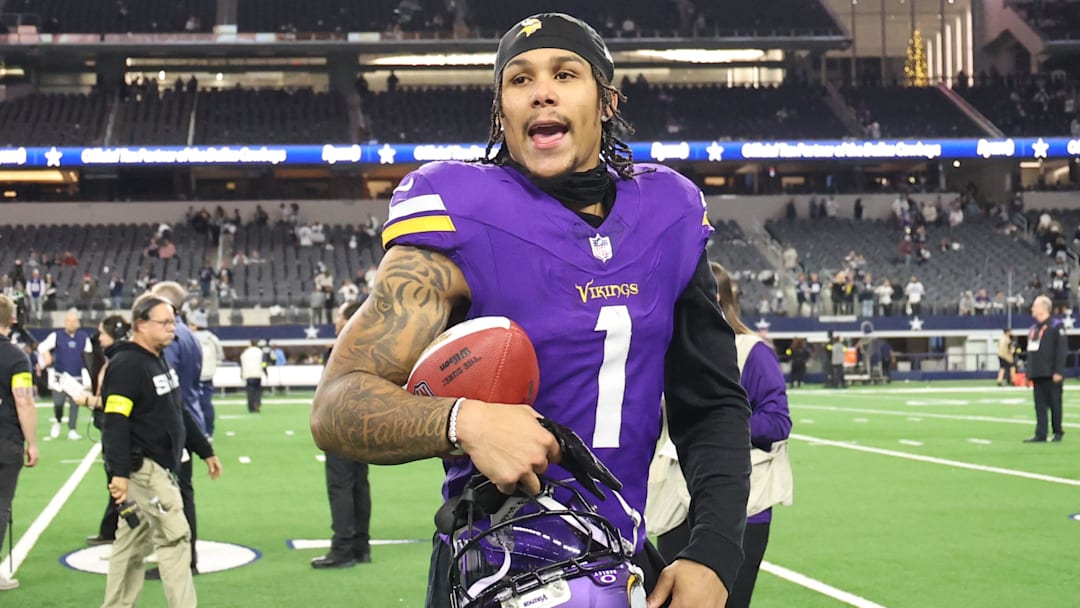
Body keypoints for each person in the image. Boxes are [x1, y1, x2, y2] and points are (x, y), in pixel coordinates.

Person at [311, 13, 751, 608]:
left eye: (565, 73)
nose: (541, 90)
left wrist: (713, 552)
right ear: (502, 113)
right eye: (519, 80)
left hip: (622, 558)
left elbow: (714, 404)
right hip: (495, 564)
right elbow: (337, 405)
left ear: (606, 102)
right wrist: (463, 421)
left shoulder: (668, 211)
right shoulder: (460, 210)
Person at [652, 263, 792, 608]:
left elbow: (777, 422)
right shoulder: (666, 350)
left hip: (743, 501)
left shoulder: (751, 352)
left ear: (715, 298)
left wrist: (719, 428)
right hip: (678, 497)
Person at [101, 295, 221, 608]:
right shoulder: (127, 365)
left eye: (173, 322)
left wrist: (204, 449)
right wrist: (120, 473)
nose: (173, 329)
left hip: (158, 467)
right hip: (145, 471)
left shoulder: (157, 357)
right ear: (140, 324)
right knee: (176, 538)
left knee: (130, 545)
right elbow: (114, 422)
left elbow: (176, 410)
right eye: (165, 323)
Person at [148, 282, 211, 577]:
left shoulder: (170, 339)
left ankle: (182, 559)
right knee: (182, 493)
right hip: (189, 416)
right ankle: (187, 557)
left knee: (174, 496)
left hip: (174, 423)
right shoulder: (190, 336)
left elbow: (164, 385)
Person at [312, 301, 372, 569]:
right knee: (359, 484)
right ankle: (361, 545)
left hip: (340, 424)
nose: (336, 321)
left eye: (340, 315)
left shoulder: (341, 349)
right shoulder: (374, 347)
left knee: (340, 486)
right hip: (363, 425)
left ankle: (343, 548)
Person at [75, 315, 133, 546]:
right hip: (109, 426)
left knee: (119, 484)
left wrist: (88, 401)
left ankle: (126, 534)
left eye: (103, 333)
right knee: (115, 485)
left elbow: (111, 401)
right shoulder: (112, 359)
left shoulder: (120, 362)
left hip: (117, 428)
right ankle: (112, 530)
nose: (99, 338)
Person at [0, 295, 39, 591]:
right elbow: (23, 401)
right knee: (1, 504)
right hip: (6, 439)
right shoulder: (16, 357)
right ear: (12, 320)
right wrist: (32, 442)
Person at [37, 308, 90, 440]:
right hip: (60, 376)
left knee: (75, 404)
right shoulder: (57, 335)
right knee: (58, 403)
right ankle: (58, 420)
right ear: (65, 322)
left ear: (78, 323)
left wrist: (88, 378)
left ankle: (72, 429)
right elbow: (41, 347)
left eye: (74, 321)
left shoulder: (84, 337)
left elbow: (89, 356)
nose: (71, 324)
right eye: (69, 321)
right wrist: (46, 355)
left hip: (77, 376)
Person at [1024, 296, 1066, 443]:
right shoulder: (1034, 329)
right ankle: (1040, 433)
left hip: (1051, 373)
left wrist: (1059, 371)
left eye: (1035, 306)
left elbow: (1061, 350)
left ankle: (1058, 432)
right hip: (1037, 372)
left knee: (1055, 404)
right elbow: (1031, 352)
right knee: (1040, 406)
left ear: (1043, 308)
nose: (1032, 309)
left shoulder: (1056, 326)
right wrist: (1029, 373)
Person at [188, 311, 222, 437]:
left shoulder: (189, 337)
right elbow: (220, 355)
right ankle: (209, 431)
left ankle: (196, 431)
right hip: (208, 376)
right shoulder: (213, 338)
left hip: (192, 376)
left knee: (191, 405)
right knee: (207, 403)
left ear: (195, 325)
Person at [240, 340, 264, 413]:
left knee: (250, 392)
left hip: (248, 374)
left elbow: (242, 364)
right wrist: (265, 372)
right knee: (257, 390)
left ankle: (251, 407)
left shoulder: (245, 352)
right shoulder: (260, 352)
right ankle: (257, 403)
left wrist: (241, 373)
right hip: (257, 374)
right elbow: (264, 363)